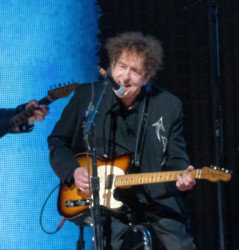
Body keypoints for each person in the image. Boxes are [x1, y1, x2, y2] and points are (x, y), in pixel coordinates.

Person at [48, 32, 196, 250]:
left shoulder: (168, 104)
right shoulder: (87, 95)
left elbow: (176, 156)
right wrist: (73, 172)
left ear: (147, 77)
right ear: (110, 68)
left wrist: (183, 176)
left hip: (153, 195)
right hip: (105, 198)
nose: (124, 77)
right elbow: (58, 141)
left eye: (134, 71)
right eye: (121, 66)